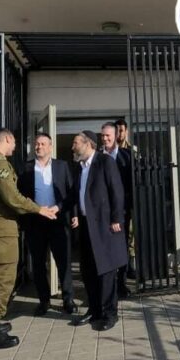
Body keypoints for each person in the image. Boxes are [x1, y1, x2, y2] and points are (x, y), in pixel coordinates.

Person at [0, 128, 57, 348]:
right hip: (2, 227)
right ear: (7, 139)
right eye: (14, 141)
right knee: (3, 277)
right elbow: (13, 197)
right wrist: (38, 209)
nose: (15, 146)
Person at [70, 130, 128, 331]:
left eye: (76, 143)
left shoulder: (105, 162)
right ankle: (94, 310)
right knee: (88, 270)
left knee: (106, 270)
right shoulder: (79, 167)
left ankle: (109, 313)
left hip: (105, 225)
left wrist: (116, 218)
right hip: (86, 225)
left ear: (88, 144)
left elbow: (117, 191)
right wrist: (75, 213)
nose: (73, 147)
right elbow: (76, 194)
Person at [18, 133, 78, 316]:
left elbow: (71, 192)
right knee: (38, 264)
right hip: (35, 222)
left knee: (64, 262)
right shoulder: (26, 168)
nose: (39, 147)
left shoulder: (62, 166)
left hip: (57, 220)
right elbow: (19, 196)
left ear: (51, 147)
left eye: (43, 144)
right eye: (37, 144)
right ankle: (44, 301)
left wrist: (73, 214)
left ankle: (68, 299)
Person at [101, 122, 134, 296]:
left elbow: (133, 184)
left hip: (122, 211)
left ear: (116, 136)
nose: (105, 139)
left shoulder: (127, 156)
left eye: (108, 135)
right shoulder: (96, 157)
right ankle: (106, 286)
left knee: (121, 247)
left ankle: (121, 284)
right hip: (101, 212)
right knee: (104, 248)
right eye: (103, 136)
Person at [115, 118, 137, 279]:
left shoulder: (133, 152)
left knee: (131, 234)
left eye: (121, 131)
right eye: (117, 131)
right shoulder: (109, 152)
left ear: (126, 132)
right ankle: (120, 268)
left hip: (130, 199)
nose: (119, 134)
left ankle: (130, 266)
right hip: (116, 200)